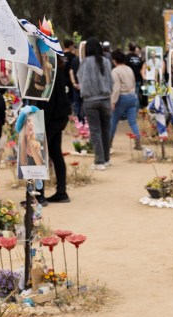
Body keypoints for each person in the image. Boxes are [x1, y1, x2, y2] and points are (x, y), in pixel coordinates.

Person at [33, 55, 72, 203]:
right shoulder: (58, 69)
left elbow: (47, 101)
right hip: (59, 116)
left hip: (50, 119)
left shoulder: (47, 71)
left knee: (39, 155)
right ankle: (61, 192)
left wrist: (41, 124)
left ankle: (39, 194)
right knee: (56, 153)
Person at [77, 38, 113, 170]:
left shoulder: (85, 62)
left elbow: (81, 79)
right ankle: (107, 159)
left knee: (95, 131)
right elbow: (111, 80)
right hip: (105, 99)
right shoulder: (106, 62)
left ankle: (99, 161)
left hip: (90, 100)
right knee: (105, 130)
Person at [109, 50, 141, 150]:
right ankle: (138, 142)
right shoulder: (129, 69)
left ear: (114, 60)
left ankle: (108, 143)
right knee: (132, 122)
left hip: (122, 98)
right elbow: (133, 82)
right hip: (132, 97)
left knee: (113, 121)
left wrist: (113, 101)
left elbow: (116, 87)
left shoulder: (115, 71)